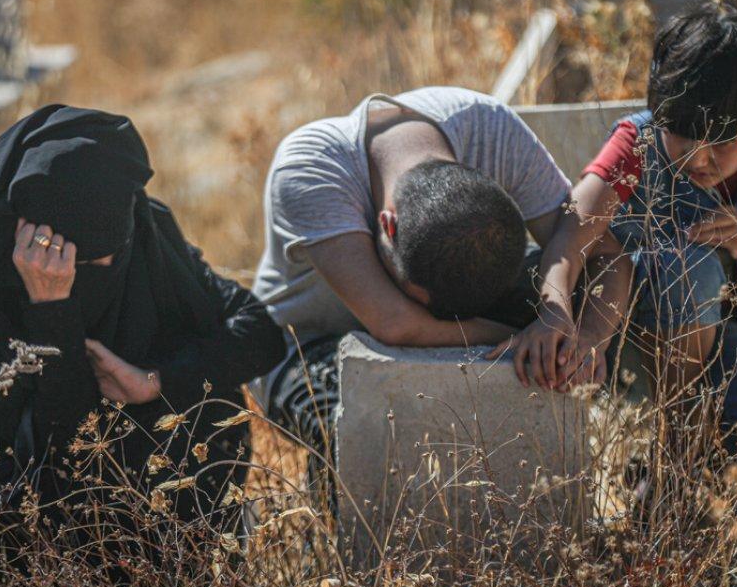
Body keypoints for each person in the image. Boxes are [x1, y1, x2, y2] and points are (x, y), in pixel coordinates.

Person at [0, 105, 286, 587]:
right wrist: (52, 312)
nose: (106, 271)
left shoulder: (144, 228)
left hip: (145, 488)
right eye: (86, 264)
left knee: (211, 395)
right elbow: (52, 449)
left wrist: (154, 382)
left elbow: (260, 333)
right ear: (34, 240)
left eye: (113, 256)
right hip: (20, 501)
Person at [253, 87, 631, 469]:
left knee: (587, 291)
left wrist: (578, 334)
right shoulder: (311, 169)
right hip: (306, 341)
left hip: (466, 310)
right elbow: (397, 323)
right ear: (388, 225)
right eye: (419, 298)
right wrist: (518, 341)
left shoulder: (488, 129)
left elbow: (604, 253)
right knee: (355, 431)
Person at [562, 2, 737, 464]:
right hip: (633, 346)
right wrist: (564, 319)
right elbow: (572, 227)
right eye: (682, 134)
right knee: (685, 268)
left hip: (730, 346)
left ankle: (733, 431)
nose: (697, 158)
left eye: (724, 142)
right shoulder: (638, 143)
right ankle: (676, 459)